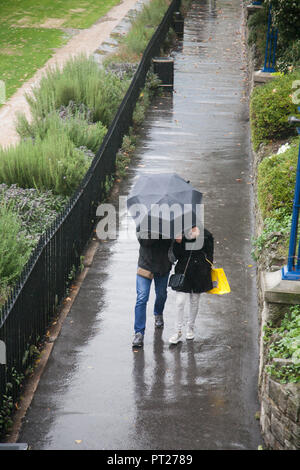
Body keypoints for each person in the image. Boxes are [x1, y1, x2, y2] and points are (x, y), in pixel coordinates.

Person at [168, 226, 214, 344]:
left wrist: (199, 237)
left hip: (199, 272)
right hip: (183, 271)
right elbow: (176, 256)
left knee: (194, 301)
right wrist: (178, 242)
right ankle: (177, 331)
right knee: (180, 302)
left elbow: (210, 255)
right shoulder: (180, 233)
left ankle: (190, 327)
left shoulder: (206, 234)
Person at [132, 231, 172, 348]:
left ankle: (158, 313)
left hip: (163, 265)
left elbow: (174, 243)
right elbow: (144, 241)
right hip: (146, 265)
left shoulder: (171, 222)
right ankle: (139, 332)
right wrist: (158, 232)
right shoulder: (144, 220)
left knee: (161, 294)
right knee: (142, 297)